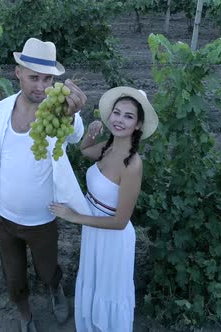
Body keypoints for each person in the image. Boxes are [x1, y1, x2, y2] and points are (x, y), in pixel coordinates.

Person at [0, 37, 89, 332]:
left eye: (48, 78)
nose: (41, 86)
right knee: (13, 276)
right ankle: (25, 314)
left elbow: (75, 135)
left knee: (47, 268)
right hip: (4, 216)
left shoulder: (56, 111)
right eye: (34, 77)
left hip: (42, 217)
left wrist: (74, 113)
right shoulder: (2, 108)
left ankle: (55, 290)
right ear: (18, 73)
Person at [49, 86, 159, 332]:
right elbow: (85, 151)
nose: (119, 120)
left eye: (128, 116)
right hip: (94, 230)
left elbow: (120, 222)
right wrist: (91, 132)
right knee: (94, 282)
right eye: (117, 113)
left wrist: (75, 217)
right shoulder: (109, 147)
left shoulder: (132, 164)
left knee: (108, 290)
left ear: (138, 125)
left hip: (113, 240)